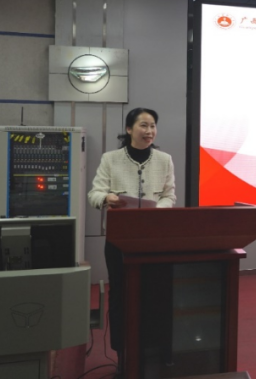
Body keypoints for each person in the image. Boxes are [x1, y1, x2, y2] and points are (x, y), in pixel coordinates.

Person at [87, 107, 176, 370]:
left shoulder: (164, 160)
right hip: (120, 240)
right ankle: (123, 354)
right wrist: (107, 198)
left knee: (155, 295)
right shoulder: (111, 159)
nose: (150, 131)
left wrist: (156, 210)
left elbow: (169, 195)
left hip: (153, 239)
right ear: (129, 129)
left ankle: (154, 354)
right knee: (121, 296)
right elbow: (94, 194)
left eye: (153, 126)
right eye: (143, 126)